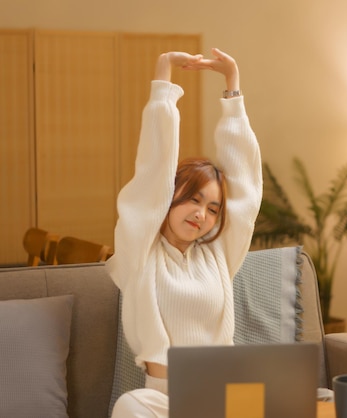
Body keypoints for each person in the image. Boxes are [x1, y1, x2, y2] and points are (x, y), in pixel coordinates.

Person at [107, 48, 262, 417]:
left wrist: (233, 87)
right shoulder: (140, 252)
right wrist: (163, 80)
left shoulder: (218, 255)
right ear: (169, 195)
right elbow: (153, 167)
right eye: (192, 198)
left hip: (225, 396)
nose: (201, 214)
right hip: (161, 401)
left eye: (212, 208)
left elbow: (246, 186)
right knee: (129, 406)